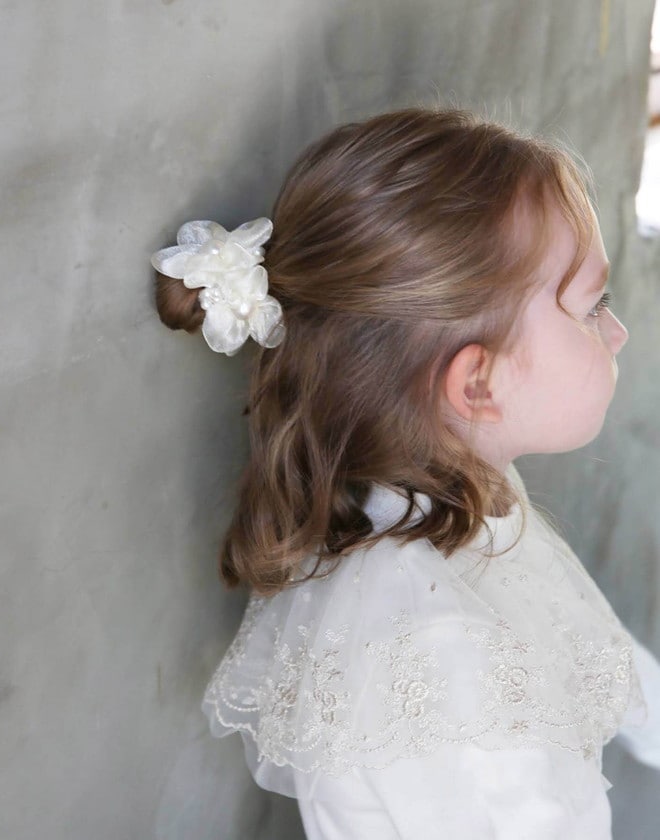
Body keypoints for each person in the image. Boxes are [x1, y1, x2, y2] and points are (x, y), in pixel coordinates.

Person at [151, 109, 660, 838]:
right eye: (593, 307)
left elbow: (581, 631)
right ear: (478, 385)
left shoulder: (455, 488)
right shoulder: (440, 654)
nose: (618, 332)